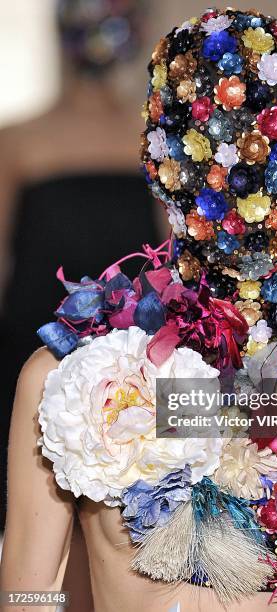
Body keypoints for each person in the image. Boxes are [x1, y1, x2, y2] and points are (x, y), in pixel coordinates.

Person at [1, 8, 277, 612]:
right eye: (224, 151)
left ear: (156, 165)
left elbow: (30, 599)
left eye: (262, 149)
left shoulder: (72, 385)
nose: (244, 181)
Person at [0, 0, 160, 529]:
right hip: (102, 362)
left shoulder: (18, 142)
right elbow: (169, 260)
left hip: (71, 360)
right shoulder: (148, 141)